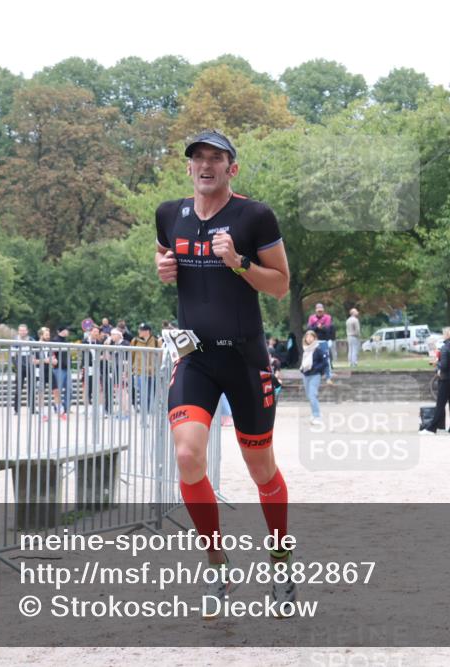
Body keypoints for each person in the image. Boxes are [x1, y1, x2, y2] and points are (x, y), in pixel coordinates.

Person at [155, 129, 294, 614]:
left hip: (245, 359)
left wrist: (237, 263)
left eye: (217, 158)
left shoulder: (254, 215)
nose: (206, 165)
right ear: (189, 167)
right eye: (198, 158)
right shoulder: (169, 214)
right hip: (195, 357)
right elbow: (168, 259)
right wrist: (164, 267)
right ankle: (217, 565)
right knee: (188, 454)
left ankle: (280, 557)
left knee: (261, 469)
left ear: (232, 168)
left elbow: (280, 285)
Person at [420, 327, 450, 435]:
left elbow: (444, 365)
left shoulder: (445, 347)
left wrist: (436, 364)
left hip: (446, 378)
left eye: (444, 334)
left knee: (440, 404)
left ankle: (431, 429)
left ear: (448, 335)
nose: (443, 335)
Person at [130, 323, 160, 415]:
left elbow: (159, 357)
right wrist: (130, 369)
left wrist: (158, 368)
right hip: (139, 371)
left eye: (141, 330)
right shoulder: (135, 341)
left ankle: (149, 411)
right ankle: (144, 413)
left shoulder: (156, 341)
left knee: (151, 393)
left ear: (147, 331)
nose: (139, 331)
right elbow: (131, 355)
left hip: (153, 372)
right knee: (143, 393)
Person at [299, 330, 327, 425]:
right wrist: (302, 369)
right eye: (307, 337)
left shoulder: (318, 349)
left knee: (312, 395)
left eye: (311, 337)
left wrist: (315, 368)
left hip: (315, 375)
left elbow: (324, 363)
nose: (309, 338)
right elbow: (304, 362)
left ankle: (317, 416)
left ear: (315, 338)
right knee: (309, 396)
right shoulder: (306, 349)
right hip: (306, 375)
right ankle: (315, 412)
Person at [12, 324, 35, 414]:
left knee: (31, 388)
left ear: (27, 331)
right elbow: (12, 355)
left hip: (30, 366)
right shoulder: (15, 341)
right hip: (20, 366)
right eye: (21, 330)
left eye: (24, 330)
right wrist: (16, 366)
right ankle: (16, 410)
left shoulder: (31, 340)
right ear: (18, 331)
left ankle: (32, 409)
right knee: (18, 388)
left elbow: (36, 352)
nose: (22, 332)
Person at [50, 325, 72, 420]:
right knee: (58, 390)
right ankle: (58, 408)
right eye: (66, 330)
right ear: (62, 331)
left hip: (66, 368)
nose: (68, 332)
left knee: (69, 389)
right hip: (58, 369)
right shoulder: (55, 340)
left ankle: (66, 408)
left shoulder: (65, 341)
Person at [308, 303, 334, 383]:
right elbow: (309, 329)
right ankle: (314, 375)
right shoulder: (312, 318)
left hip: (323, 340)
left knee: (325, 358)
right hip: (314, 341)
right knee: (313, 359)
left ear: (323, 310)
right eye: (318, 311)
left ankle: (328, 376)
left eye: (321, 311)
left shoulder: (327, 317)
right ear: (316, 311)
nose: (320, 312)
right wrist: (317, 327)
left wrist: (320, 328)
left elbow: (328, 329)